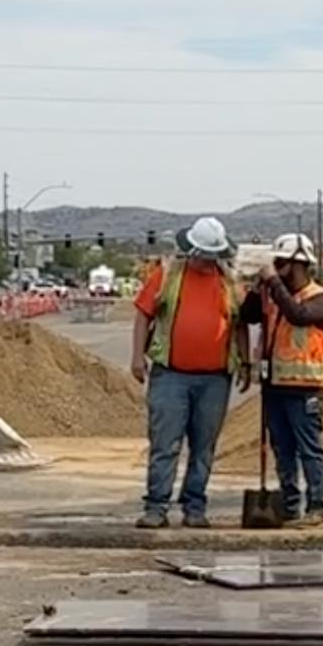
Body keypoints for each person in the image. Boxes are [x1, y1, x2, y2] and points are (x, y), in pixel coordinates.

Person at [130, 217, 251, 528]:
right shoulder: (168, 276)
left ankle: (194, 506)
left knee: (204, 446)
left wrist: (246, 363)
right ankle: (156, 506)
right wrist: (137, 358)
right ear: (190, 250)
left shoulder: (229, 281)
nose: (204, 261)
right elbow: (143, 315)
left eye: (210, 256)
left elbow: (239, 325)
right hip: (171, 375)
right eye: (201, 255)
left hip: (215, 379)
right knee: (165, 444)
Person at [240, 233, 323, 526]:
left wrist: (273, 282)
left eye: (280, 262)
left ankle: (317, 506)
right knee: (282, 448)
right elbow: (247, 315)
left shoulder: (320, 299)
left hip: (307, 388)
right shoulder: (275, 295)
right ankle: (289, 504)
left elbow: (298, 315)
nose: (276, 266)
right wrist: (259, 288)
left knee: (309, 448)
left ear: (297, 264)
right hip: (276, 387)